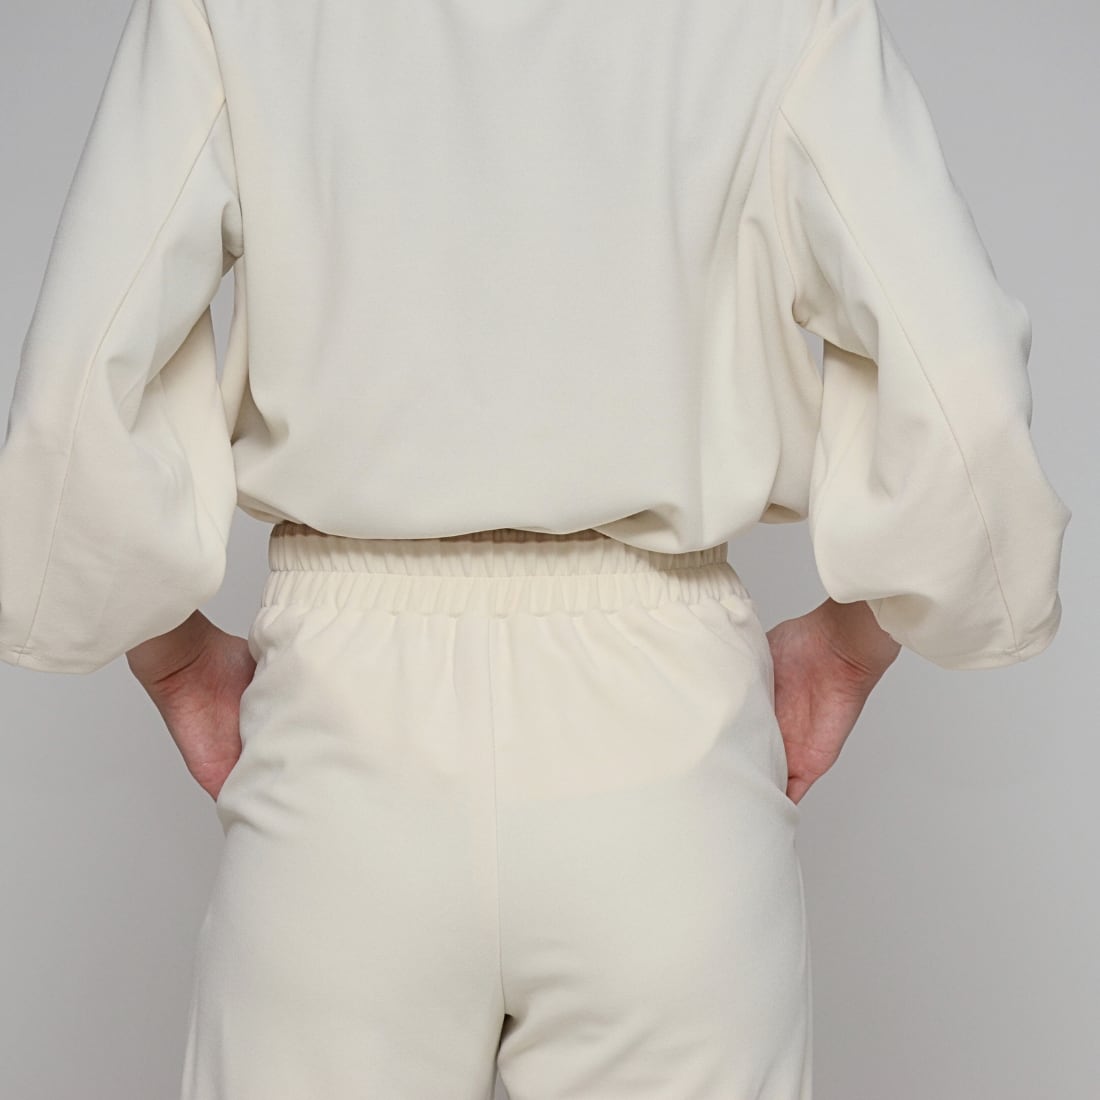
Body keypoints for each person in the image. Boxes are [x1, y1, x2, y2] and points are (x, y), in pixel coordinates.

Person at [0, 0, 1070, 1097]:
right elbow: (966, 397)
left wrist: (175, 659)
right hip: (662, 738)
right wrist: (848, 647)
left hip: (344, 737)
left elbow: (76, 395)